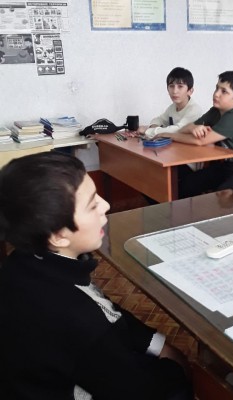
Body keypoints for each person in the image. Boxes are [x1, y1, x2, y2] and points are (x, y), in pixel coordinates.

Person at [0, 152, 193, 400]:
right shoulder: (77, 318)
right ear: (58, 236)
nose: (106, 206)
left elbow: (105, 308)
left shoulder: (23, 261)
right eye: (92, 205)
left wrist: (157, 343)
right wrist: (177, 365)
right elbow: (138, 389)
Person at [157, 70, 233, 199]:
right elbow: (185, 129)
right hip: (231, 166)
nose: (216, 94)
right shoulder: (215, 111)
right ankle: (186, 211)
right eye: (217, 88)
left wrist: (169, 135)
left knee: (223, 195)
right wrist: (193, 127)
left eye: (224, 91)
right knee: (188, 184)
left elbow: (200, 141)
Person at [140, 67, 202, 140]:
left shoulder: (194, 109)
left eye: (180, 86)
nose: (174, 91)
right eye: (171, 86)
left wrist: (148, 131)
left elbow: (179, 130)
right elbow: (159, 120)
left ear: (190, 91)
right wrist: (152, 127)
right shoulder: (172, 107)